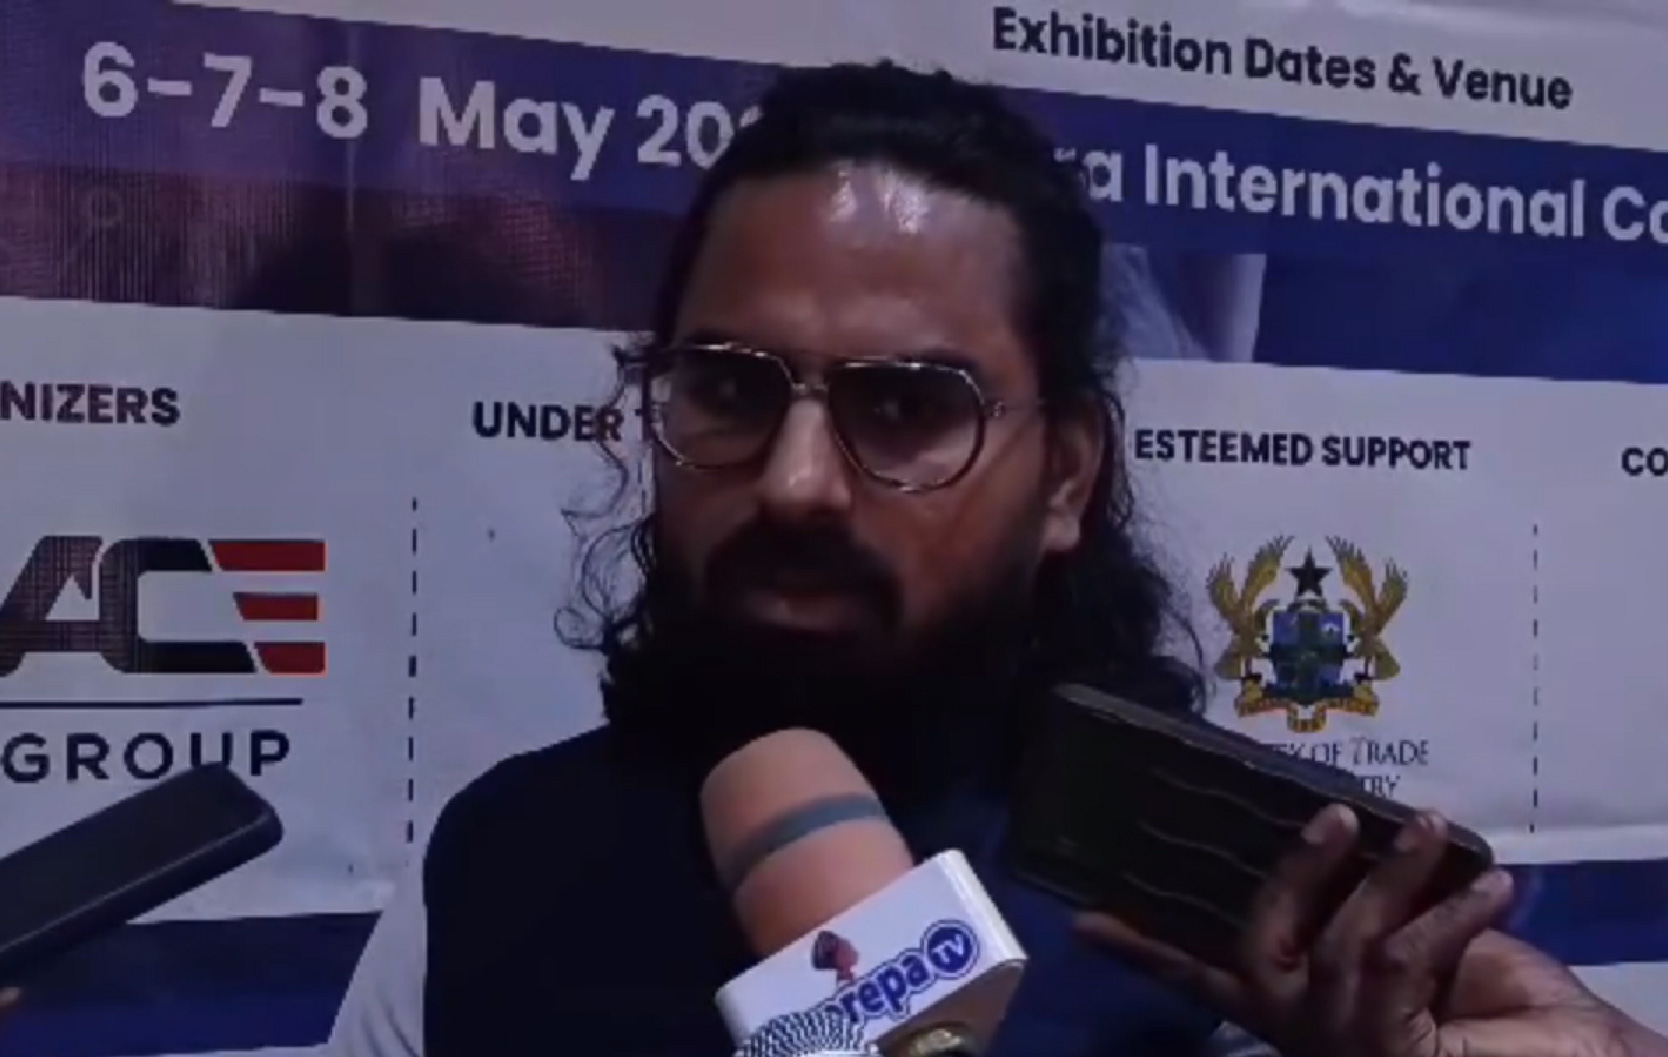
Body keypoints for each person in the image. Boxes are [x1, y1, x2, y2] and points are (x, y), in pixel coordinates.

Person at [316, 61, 1668, 1057]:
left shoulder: (1222, 916)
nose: (796, 482)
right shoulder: (489, 867)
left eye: (907, 406)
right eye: (728, 388)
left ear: (1067, 474)